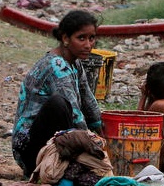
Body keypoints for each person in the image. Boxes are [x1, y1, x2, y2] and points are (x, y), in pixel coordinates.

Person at [12, 10, 103, 177]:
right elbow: (75, 115)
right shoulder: (57, 66)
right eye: (81, 38)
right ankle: (54, 166)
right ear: (65, 39)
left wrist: (103, 130)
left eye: (92, 38)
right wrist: (94, 146)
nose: (88, 45)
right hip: (29, 149)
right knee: (59, 105)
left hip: (48, 140)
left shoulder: (75, 62)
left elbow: (89, 102)